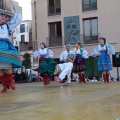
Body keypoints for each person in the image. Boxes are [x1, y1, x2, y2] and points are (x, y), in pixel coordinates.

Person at [0, 2, 22, 93]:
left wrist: (14, 9)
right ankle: (4, 85)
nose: (3, 17)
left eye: (4, 16)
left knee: (8, 64)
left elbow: (18, 19)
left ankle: (10, 82)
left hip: (6, 46)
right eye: (1, 16)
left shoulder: (9, 25)